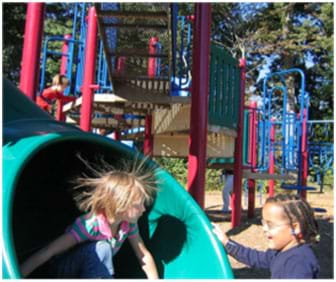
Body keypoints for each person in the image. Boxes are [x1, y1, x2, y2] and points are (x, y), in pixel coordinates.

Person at [20, 158, 159, 279]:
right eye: (138, 205)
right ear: (120, 206)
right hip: (62, 271)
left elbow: (143, 255)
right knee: (102, 247)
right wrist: (16, 275)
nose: (143, 209)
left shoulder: (128, 224)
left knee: (103, 252)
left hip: (90, 271)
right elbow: (49, 250)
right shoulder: (90, 225)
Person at [213, 193, 320, 278]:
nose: (264, 229)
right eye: (263, 224)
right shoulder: (279, 252)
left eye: (270, 225)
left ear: (295, 227)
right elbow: (254, 258)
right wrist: (227, 243)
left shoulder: (298, 262)